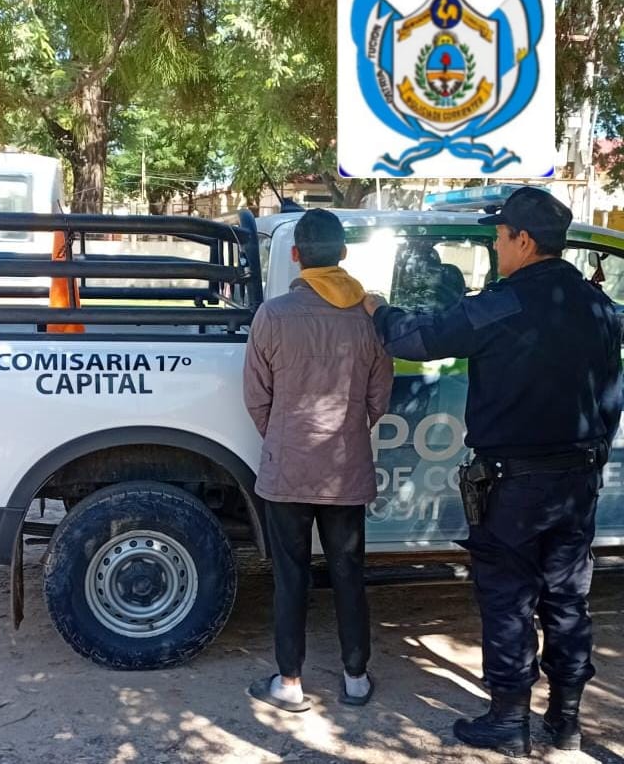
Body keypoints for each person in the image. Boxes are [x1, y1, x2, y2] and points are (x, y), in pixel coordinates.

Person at [364, 186, 622, 756]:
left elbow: (418, 338)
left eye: (500, 237)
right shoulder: (600, 307)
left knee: (509, 598)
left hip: (515, 484)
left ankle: (509, 719)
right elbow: (611, 398)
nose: (497, 247)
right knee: (567, 600)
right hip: (577, 481)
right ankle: (566, 721)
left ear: (523, 241)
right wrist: (591, 456)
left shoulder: (501, 305)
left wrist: (378, 309)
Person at [243, 208, 393, 712]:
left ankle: (289, 683)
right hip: (345, 470)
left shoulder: (272, 316)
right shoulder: (369, 319)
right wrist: (347, 431)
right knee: (349, 572)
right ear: (344, 254)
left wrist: (285, 437)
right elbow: (378, 398)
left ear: (295, 255)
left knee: (291, 577)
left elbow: (256, 397)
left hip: (286, 470)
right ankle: (356, 678)